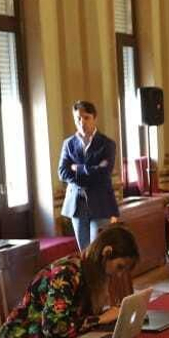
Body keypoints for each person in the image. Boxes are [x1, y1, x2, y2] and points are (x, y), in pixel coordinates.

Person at [0, 225, 140, 338]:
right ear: (106, 252)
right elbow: (54, 327)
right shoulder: (66, 273)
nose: (119, 275)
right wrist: (100, 319)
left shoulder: (90, 271)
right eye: (120, 267)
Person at [58, 100, 119, 251]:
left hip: (100, 203)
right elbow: (63, 172)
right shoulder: (69, 144)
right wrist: (92, 169)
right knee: (84, 253)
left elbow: (104, 173)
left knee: (98, 251)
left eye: (86, 117)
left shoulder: (107, 144)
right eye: (78, 118)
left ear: (94, 118)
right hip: (77, 205)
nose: (82, 122)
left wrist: (78, 168)